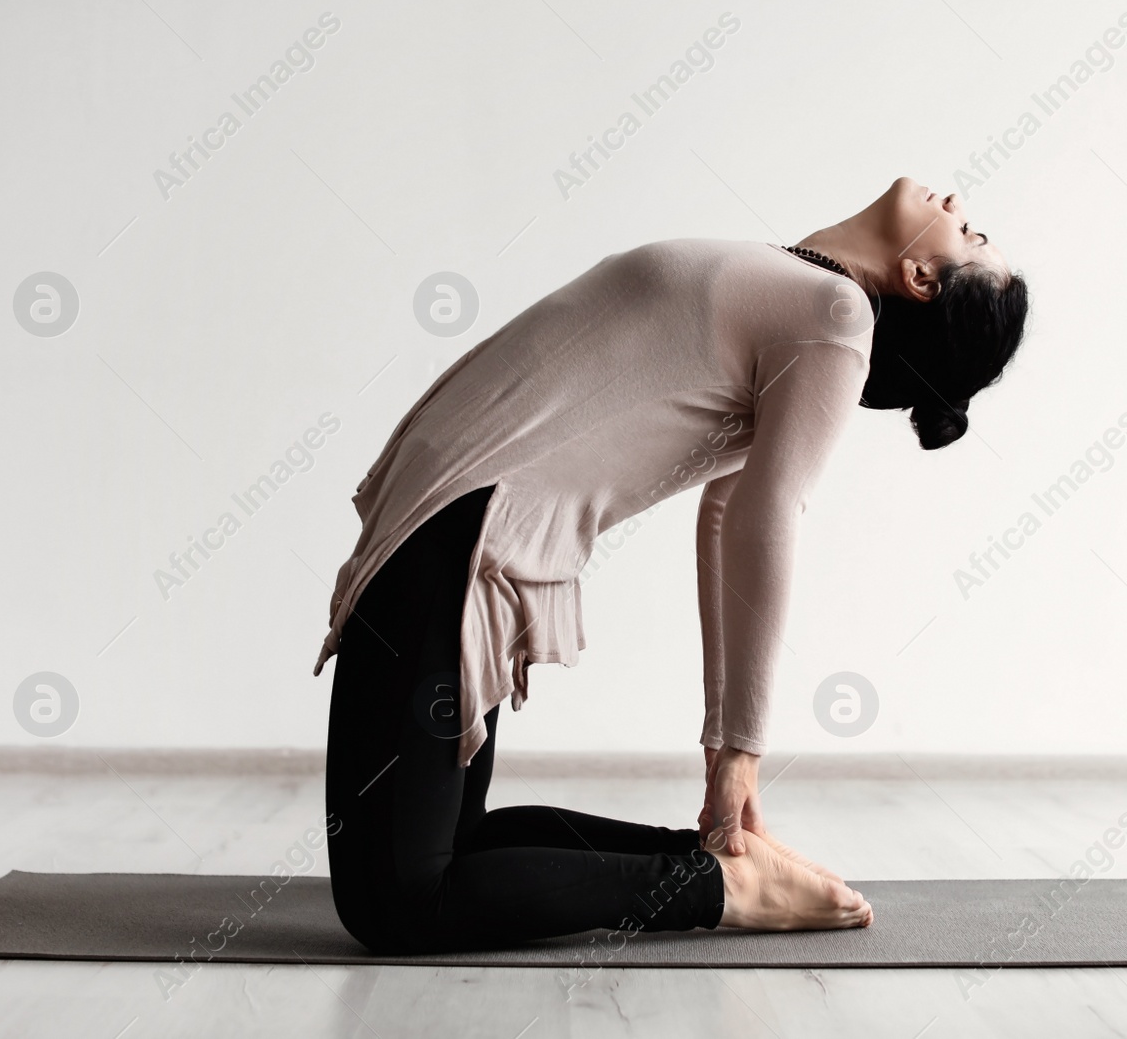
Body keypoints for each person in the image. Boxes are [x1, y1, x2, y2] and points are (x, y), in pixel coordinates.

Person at [316, 177, 1029, 952]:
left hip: (462, 538)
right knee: (451, 845)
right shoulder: (800, 287)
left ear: (921, 278)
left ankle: (717, 887)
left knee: (397, 902)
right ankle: (718, 864)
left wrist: (739, 756)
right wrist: (721, 752)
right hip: (449, 524)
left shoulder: (836, 315)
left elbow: (761, 516)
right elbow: (724, 514)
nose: (958, 205)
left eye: (972, 236)